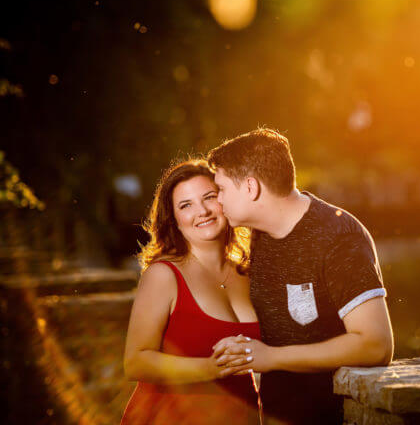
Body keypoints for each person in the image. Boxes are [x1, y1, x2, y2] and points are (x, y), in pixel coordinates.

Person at [207, 128, 394, 424]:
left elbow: (376, 345)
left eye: (222, 189)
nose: (218, 201)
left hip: (333, 417)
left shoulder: (338, 236)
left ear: (251, 188)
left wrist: (271, 357)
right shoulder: (257, 236)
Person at [121, 159, 262, 424]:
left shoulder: (250, 274)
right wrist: (210, 368)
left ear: (225, 199)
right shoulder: (163, 275)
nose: (203, 211)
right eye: (186, 205)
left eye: (209, 197)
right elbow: (136, 362)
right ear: (173, 218)